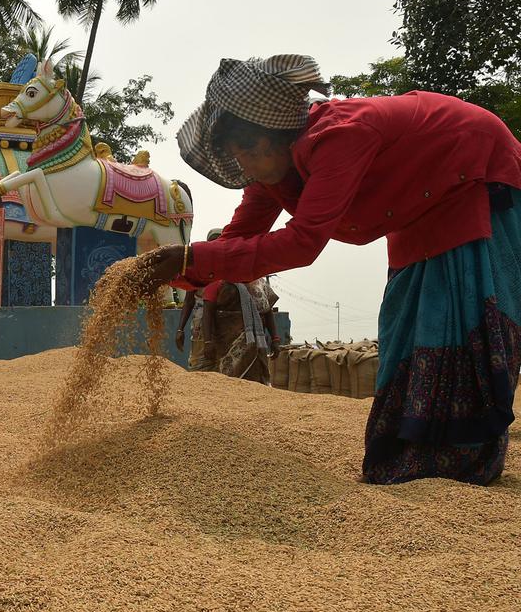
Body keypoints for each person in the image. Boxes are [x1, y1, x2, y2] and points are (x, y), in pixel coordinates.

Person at [137, 54, 521, 486]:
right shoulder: (271, 178)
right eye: (234, 154)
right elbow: (236, 239)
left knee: (457, 314)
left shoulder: (338, 135)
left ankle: (464, 458)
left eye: (244, 149)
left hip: (471, 174)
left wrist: (192, 260)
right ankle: (410, 455)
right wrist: (176, 271)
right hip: (417, 209)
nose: (241, 163)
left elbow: (304, 242)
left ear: (274, 133)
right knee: (406, 323)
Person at [199, 276, 280, 384]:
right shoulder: (218, 282)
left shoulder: (259, 283)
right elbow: (207, 314)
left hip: (257, 343)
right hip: (227, 343)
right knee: (228, 379)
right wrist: (207, 342)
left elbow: (268, 311)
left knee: (256, 380)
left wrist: (275, 339)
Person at [175, 228, 223, 371]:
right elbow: (189, 300)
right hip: (201, 323)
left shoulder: (229, 267)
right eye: (212, 242)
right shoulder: (199, 267)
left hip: (223, 320)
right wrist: (180, 329)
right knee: (200, 362)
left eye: (218, 241)